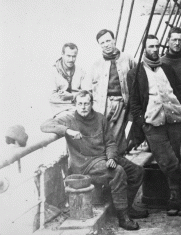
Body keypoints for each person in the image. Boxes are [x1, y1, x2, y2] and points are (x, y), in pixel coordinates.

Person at [40, 90, 143, 230]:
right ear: (75, 104)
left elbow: (110, 143)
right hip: (85, 164)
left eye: (86, 103)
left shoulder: (100, 118)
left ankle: (123, 207)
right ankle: (123, 217)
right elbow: (45, 126)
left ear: (91, 104)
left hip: (104, 158)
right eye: (80, 104)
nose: (83, 107)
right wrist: (67, 131)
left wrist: (111, 157)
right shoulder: (69, 119)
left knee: (137, 172)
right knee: (118, 172)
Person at [129, 35, 181, 215]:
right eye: (151, 47)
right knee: (167, 162)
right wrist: (143, 124)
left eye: (157, 46)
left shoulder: (167, 68)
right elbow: (134, 103)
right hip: (153, 123)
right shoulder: (135, 73)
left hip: (175, 121)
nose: (155, 50)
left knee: (180, 158)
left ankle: (180, 198)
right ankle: (176, 199)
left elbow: (180, 90)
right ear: (144, 49)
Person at [84, 29, 135, 157]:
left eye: (108, 40)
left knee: (118, 135)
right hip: (102, 105)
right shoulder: (96, 64)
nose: (106, 44)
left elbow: (137, 77)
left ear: (114, 40)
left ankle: (117, 162)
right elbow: (87, 88)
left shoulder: (127, 58)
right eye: (102, 43)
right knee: (101, 134)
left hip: (122, 104)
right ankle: (102, 162)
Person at [50, 43, 86, 111]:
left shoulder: (81, 72)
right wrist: (74, 96)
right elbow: (51, 97)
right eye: (68, 56)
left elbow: (86, 94)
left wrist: (71, 96)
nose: (71, 59)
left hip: (78, 109)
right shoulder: (53, 72)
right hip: (57, 110)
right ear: (62, 54)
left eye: (74, 56)